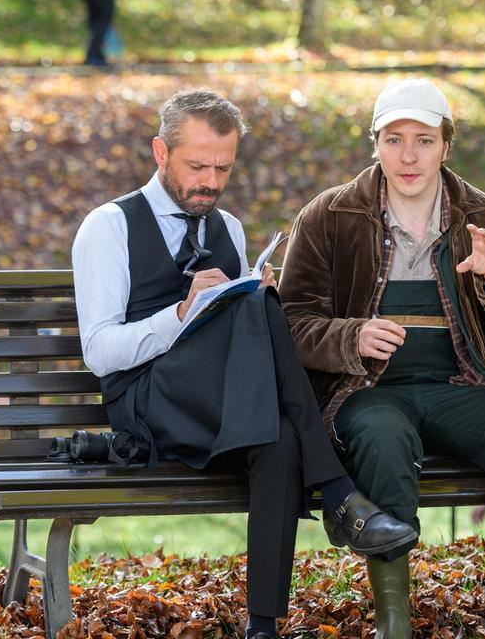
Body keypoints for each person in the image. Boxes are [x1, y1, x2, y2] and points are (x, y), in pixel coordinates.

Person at [70, 89, 416, 639]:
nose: (210, 180)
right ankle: (339, 490)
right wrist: (182, 313)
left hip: (224, 401)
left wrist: (250, 300)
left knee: (278, 436)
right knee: (261, 308)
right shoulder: (108, 227)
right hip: (145, 402)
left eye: (222, 167)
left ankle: (262, 625)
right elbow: (101, 354)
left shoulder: (226, 227)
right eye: (197, 165)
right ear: (161, 153)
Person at [278, 78, 485, 639]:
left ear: (446, 145)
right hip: (365, 392)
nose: (408, 156)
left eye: (423, 140)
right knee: (384, 441)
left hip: (462, 385)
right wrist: (350, 336)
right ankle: (394, 620)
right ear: (375, 143)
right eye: (393, 140)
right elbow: (289, 325)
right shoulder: (330, 215)